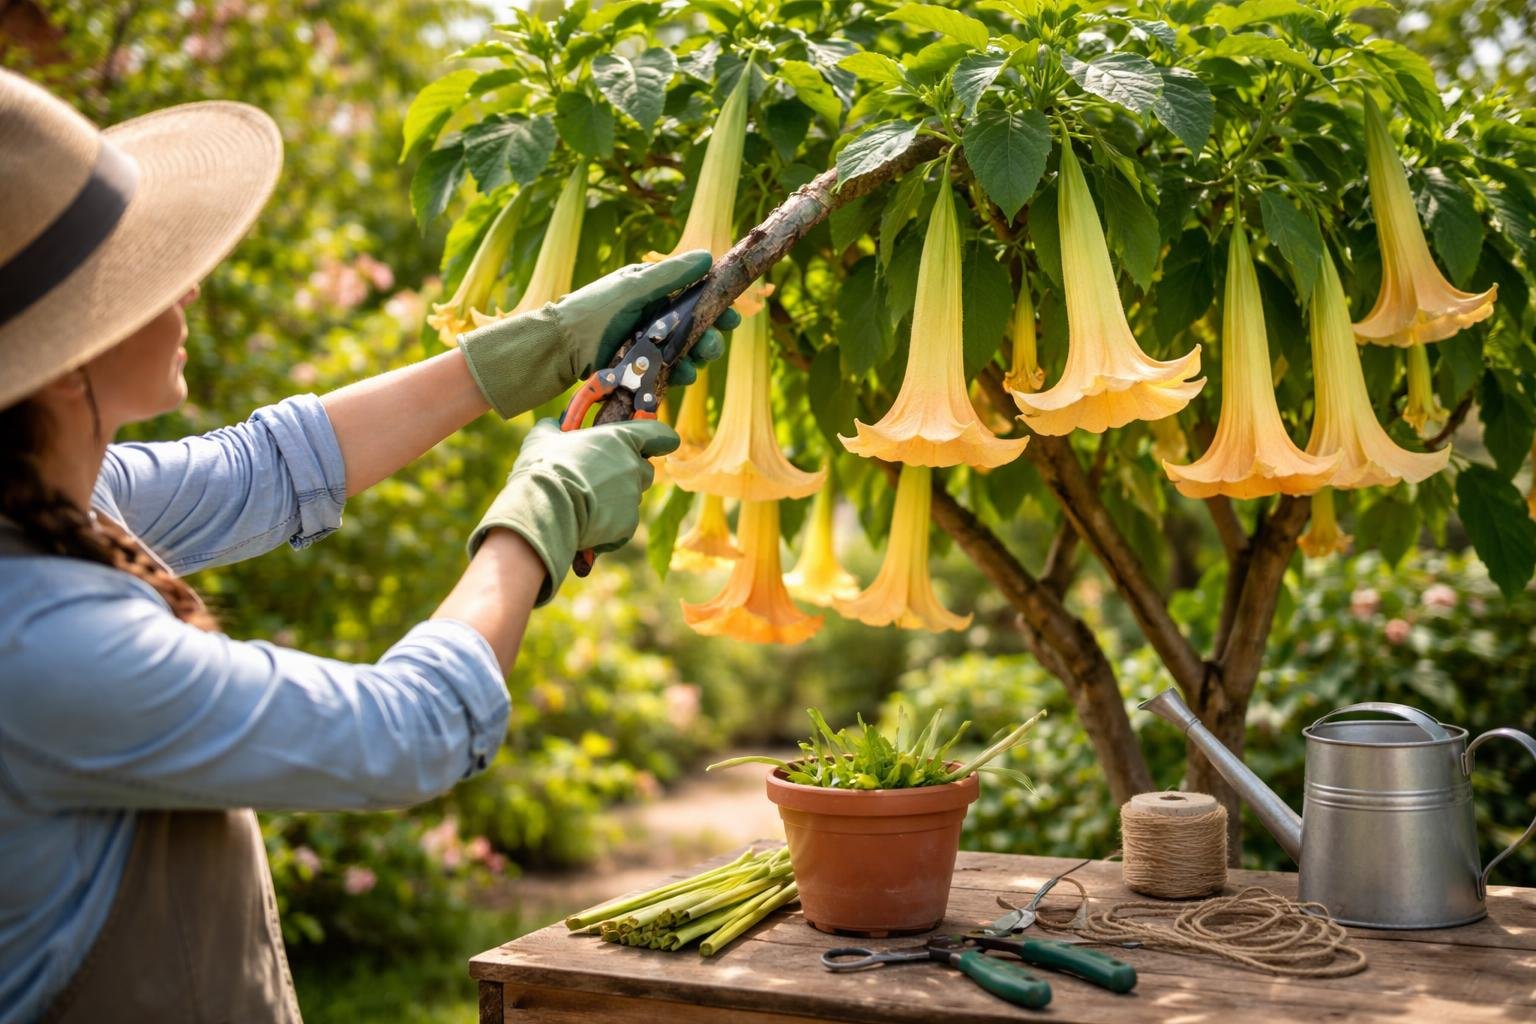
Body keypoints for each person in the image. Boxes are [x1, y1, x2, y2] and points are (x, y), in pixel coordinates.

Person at [0, 70, 735, 1023]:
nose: (185, 281)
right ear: (62, 366)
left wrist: (530, 350)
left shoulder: (58, 495)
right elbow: (407, 734)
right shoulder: (43, 644)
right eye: (138, 274)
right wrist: (536, 517)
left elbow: (269, 467)